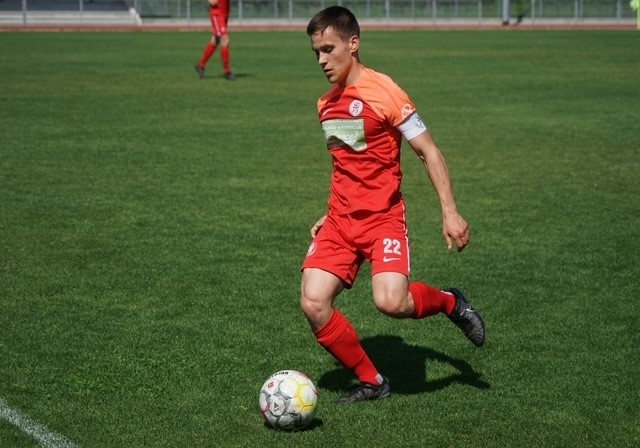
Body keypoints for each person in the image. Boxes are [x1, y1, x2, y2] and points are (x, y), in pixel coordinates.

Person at [300, 6, 486, 404]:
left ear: (353, 43)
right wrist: (329, 212)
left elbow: (428, 151)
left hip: (383, 219)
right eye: (316, 52)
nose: (321, 60)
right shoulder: (325, 104)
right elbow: (348, 164)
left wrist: (450, 210)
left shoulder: (386, 92)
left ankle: (450, 302)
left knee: (391, 302)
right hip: (339, 221)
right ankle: (372, 381)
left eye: (328, 49)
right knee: (313, 302)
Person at [195, 0, 235, 80]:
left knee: (215, 40)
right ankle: (227, 71)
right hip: (217, 13)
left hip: (224, 12)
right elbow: (212, 2)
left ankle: (201, 65)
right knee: (225, 39)